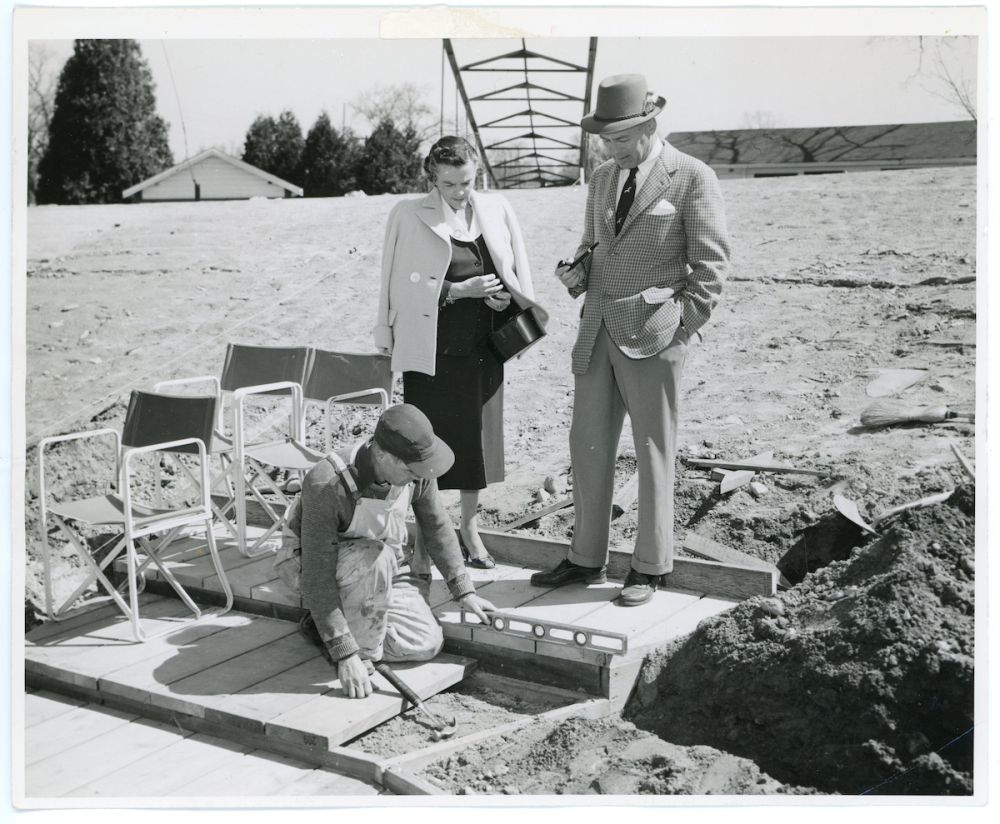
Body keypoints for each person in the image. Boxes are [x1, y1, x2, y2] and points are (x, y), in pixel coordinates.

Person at [531, 74, 731, 606]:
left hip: (655, 335)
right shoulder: (601, 178)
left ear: (649, 127)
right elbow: (593, 244)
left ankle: (650, 566)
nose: (610, 150)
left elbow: (711, 265)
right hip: (597, 328)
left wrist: (681, 328)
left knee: (652, 450)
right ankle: (584, 558)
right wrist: (577, 272)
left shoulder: (693, 176)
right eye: (604, 140)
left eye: (620, 140)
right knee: (587, 444)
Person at [373, 136, 547, 569]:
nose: (459, 192)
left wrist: (503, 299)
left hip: (484, 351)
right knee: (424, 445)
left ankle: (469, 529)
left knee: (476, 445)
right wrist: (455, 291)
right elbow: (396, 287)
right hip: (430, 352)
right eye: (449, 183)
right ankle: (423, 540)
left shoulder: (496, 209)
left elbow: (515, 273)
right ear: (432, 177)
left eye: (467, 182)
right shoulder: (408, 214)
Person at [276, 403, 496, 699]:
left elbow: (436, 525)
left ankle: (326, 628)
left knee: (425, 643)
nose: (418, 477)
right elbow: (316, 574)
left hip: (381, 565)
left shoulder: (417, 471)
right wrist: (346, 653)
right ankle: (355, 651)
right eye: (410, 469)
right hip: (308, 563)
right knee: (373, 557)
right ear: (381, 454)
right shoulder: (327, 483)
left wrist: (463, 590)